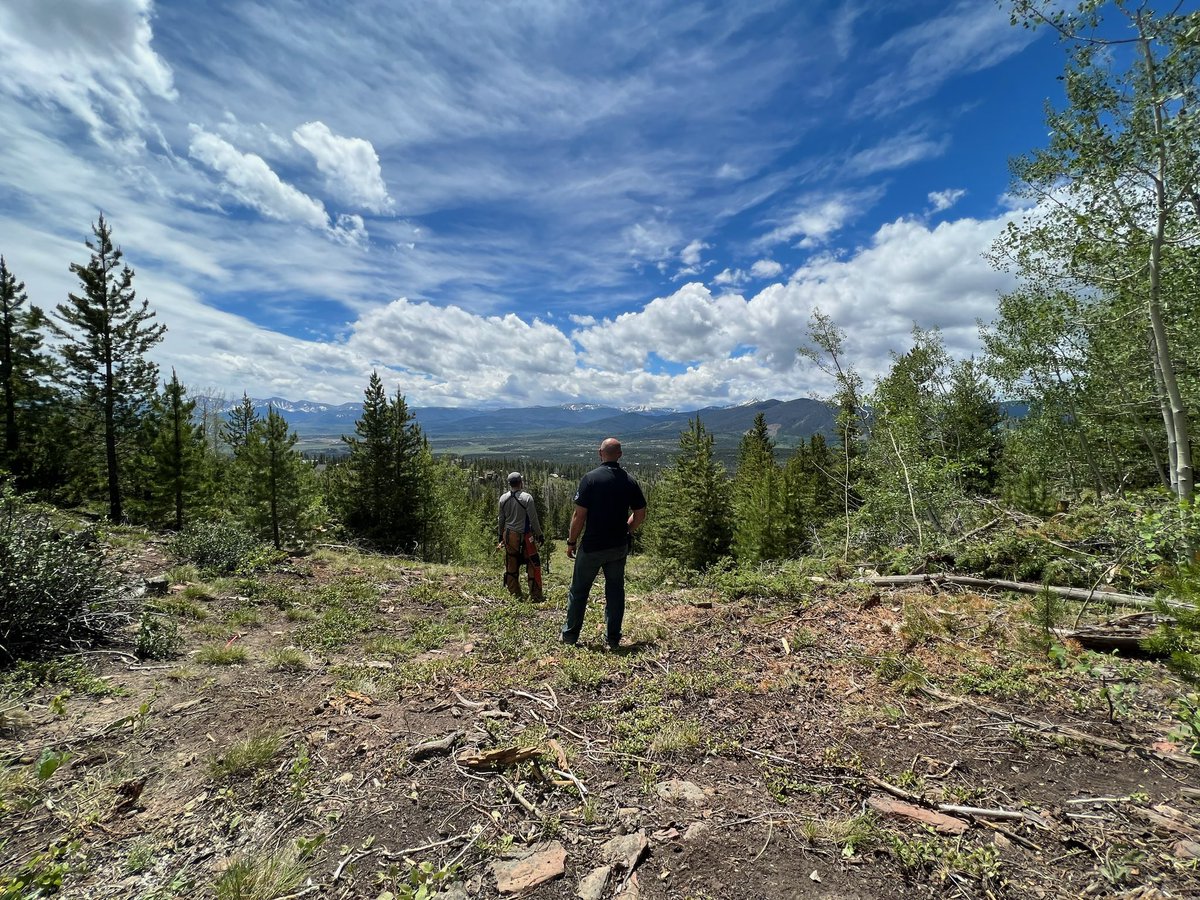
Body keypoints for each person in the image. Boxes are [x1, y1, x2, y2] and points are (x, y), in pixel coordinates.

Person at [561, 438, 647, 649]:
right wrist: (627, 529)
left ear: (600, 453)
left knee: (579, 591)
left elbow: (579, 515)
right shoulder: (629, 481)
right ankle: (613, 639)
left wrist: (571, 542)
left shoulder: (590, 479)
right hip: (618, 546)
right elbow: (640, 514)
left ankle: (570, 637)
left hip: (592, 546)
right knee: (615, 591)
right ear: (620, 454)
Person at [497, 472, 544, 601]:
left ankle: (515, 594)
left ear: (510, 484)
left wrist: (500, 535)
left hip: (509, 536)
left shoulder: (503, 498)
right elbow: (533, 520)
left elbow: (501, 519)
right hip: (525, 537)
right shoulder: (527, 498)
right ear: (520, 482)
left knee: (511, 564)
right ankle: (535, 594)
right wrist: (540, 535)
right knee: (532, 564)